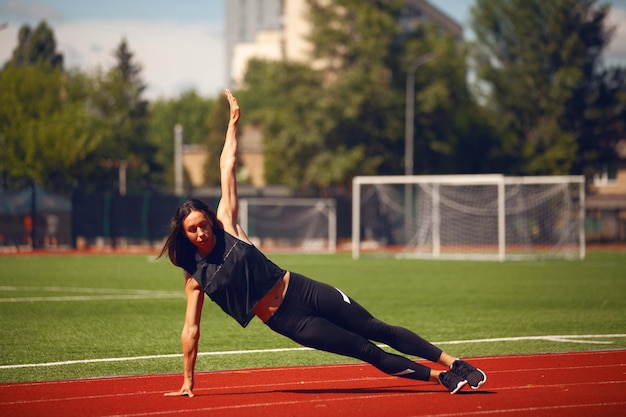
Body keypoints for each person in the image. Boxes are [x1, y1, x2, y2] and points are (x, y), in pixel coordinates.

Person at [159, 89, 486, 397]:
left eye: (203, 224)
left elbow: (227, 166)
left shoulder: (227, 223)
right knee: (365, 350)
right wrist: (188, 379)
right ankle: (440, 378)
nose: (201, 233)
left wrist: (233, 124)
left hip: (303, 289)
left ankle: (453, 362)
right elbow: (191, 330)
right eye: (193, 230)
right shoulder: (195, 276)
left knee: (377, 328)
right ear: (184, 234)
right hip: (289, 321)